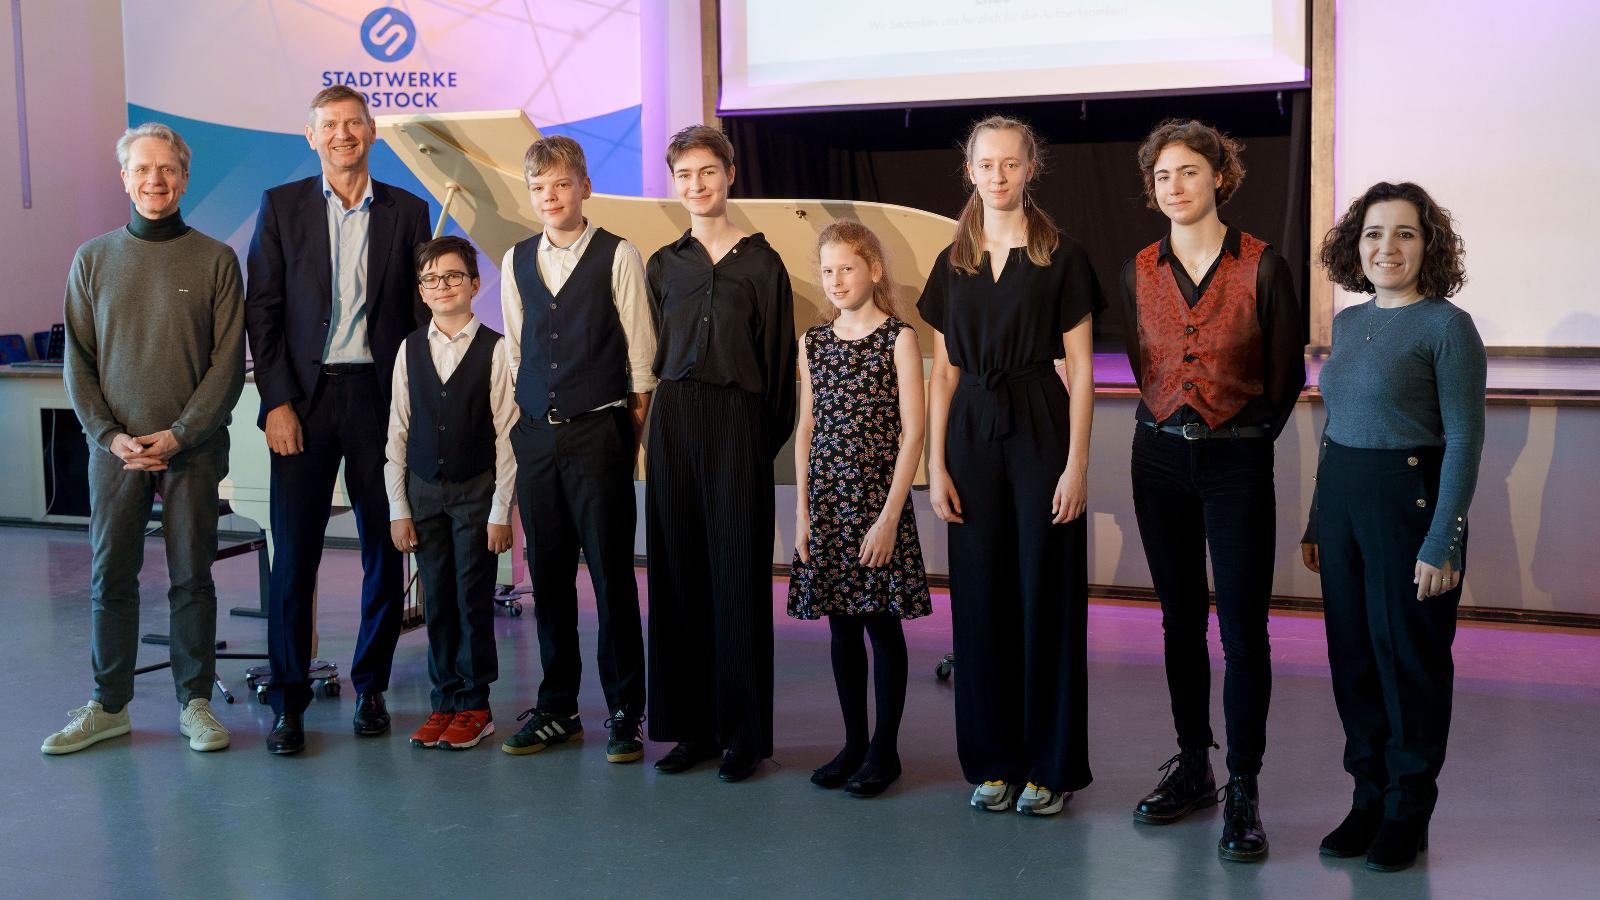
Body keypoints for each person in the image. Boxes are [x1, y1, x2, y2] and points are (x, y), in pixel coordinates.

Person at [1117, 119, 1305, 862]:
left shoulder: (1263, 265)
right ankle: (1193, 763)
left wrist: (1243, 436)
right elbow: (1142, 360)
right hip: (1157, 457)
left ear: (1219, 177)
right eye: (1163, 176)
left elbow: (1285, 378)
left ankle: (1245, 786)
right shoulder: (1138, 266)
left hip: (1235, 459)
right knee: (1177, 621)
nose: (1175, 187)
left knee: (1243, 631)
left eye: (1189, 172)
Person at [920, 115, 1101, 816]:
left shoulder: (1063, 255)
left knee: (1045, 596)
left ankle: (1049, 767)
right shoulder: (952, 261)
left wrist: (1077, 463)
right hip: (969, 431)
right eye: (985, 164)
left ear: (1032, 168)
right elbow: (943, 373)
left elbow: (1082, 371)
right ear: (970, 171)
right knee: (981, 596)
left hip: (1040, 426)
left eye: (1010, 164)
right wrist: (935, 464)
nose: (997, 176)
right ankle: (992, 760)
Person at [1301, 182, 1484, 872]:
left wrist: (1444, 540)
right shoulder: (1349, 323)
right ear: (1357, 244)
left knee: (1408, 661)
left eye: (1405, 233)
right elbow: (1335, 427)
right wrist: (1320, 519)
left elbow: (1465, 441)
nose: (1388, 247)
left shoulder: (1446, 327)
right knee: (1352, 660)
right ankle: (1368, 796)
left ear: (1427, 245)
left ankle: (1409, 806)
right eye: (1375, 233)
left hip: (1409, 506)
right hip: (1345, 506)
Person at [244, 85, 432, 754]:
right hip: (303, 402)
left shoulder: (410, 212)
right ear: (311, 135)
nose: (342, 135)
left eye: (353, 124)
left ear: (372, 132)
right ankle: (288, 700)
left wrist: (415, 410)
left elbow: (418, 321)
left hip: (379, 404)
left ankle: (372, 686)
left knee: (385, 551)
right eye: (330, 125)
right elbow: (261, 313)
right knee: (294, 555)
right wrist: (275, 403)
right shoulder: (282, 207)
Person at [47, 123, 245, 754]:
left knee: (192, 576)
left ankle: (196, 703)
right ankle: (109, 706)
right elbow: (77, 360)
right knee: (111, 577)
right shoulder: (93, 259)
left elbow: (227, 362)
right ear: (125, 178)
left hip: (193, 449)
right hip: (116, 454)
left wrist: (180, 435)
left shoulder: (216, 259)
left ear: (184, 179)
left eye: (167, 170)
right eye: (142, 169)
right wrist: (109, 436)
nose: (154, 180)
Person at [645, 125, 797, 782]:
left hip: (739, 424)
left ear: (729, 174)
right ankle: (689, 730)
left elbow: (780, 366)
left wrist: (754, 445)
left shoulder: (764, 264)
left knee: (736, 579)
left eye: (707, 171)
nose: (696, 185)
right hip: (676, 421)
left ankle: (741, 736)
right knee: (678, 578)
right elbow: (657, 349)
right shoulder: (663, 264)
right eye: (684, 175)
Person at [496, 136, 655, 763]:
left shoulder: (618, 255)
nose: (550, 197)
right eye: (539, 189)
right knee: (550, 577)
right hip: (537, 433)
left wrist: (625, 433)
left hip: (600, 431)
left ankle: (624, 711)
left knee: (614, 576)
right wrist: (522, 418)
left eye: (561, 185)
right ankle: (557, 707)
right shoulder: (515, 259)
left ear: (584, 188)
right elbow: (515, 345)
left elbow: (641, 358)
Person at [788, 220, 930, 798]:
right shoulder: (814, 342)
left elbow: (914, 433)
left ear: (873, 269)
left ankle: (885, 749)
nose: (836, 279)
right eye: (827, 270)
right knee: (842, 628)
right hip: (826, 504)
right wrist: (802, 514)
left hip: (877, 504)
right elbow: (806, 430)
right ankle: (853, 742)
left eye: (847, 266)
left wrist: (890, 517)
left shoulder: (898, 337)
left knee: (881, 625)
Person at [383, 236, 516, 751]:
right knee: (436, 599)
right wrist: (399, 507)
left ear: (475, 285)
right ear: (421, 290)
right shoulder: (409, 348)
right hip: (423, 493)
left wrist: (501, 510)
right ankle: (444, 701)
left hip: (475, 494)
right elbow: (398, 429)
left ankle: (476, 705)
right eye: (432, 279)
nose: (442, 286)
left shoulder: (496, 348)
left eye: (454, 276)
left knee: (471, 598)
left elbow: (507, 435)